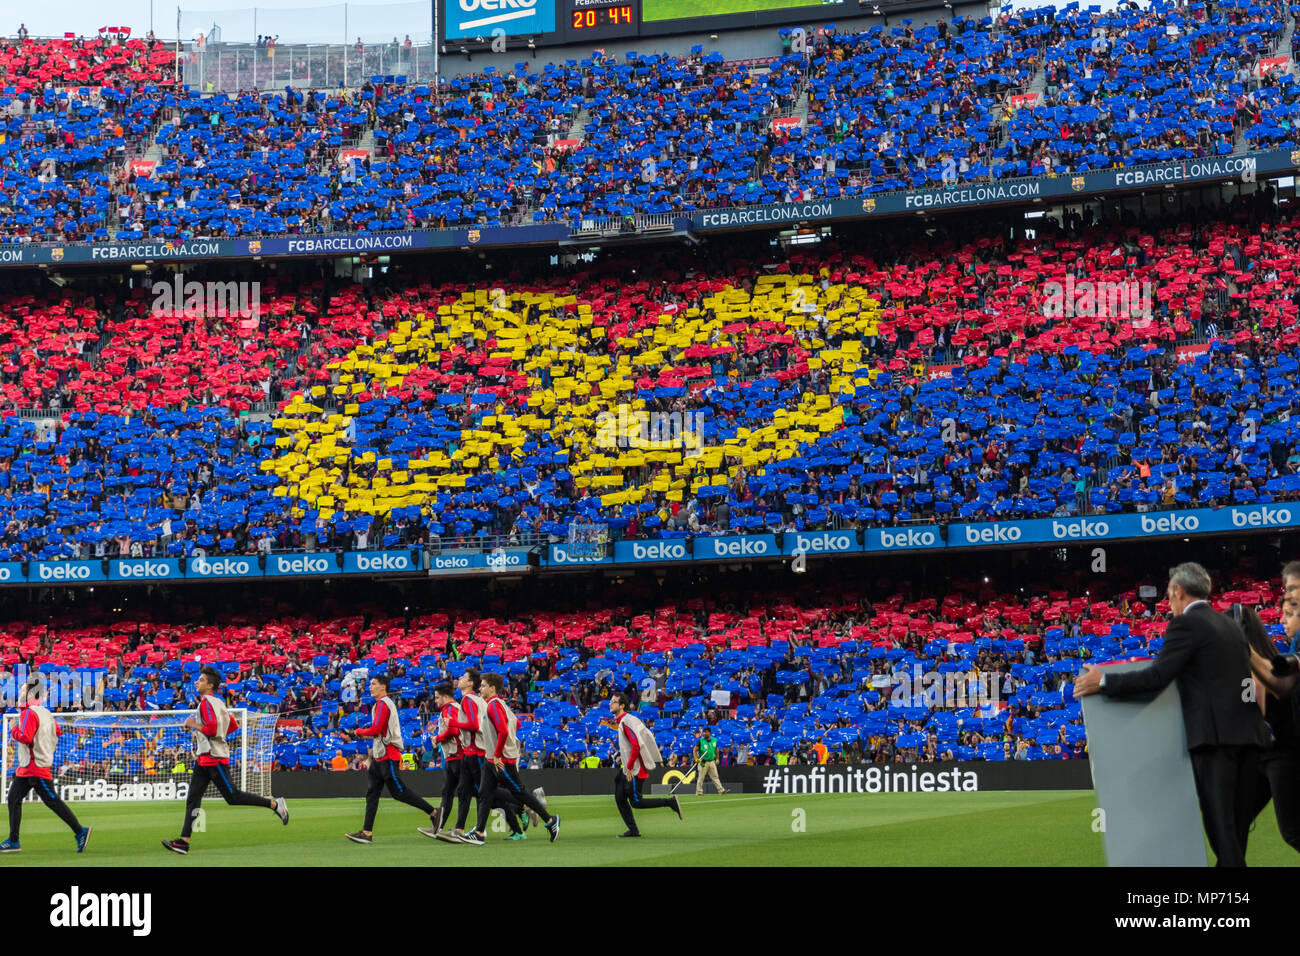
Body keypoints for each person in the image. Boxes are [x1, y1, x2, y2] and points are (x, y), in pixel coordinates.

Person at [1074, 562, 1270, 866]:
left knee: (1223, 836)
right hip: (1251, 740)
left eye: (1168, 595)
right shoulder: (1231, 624)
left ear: (1178, 591)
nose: (1168, 602)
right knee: (1236, 838)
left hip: (1215, 744)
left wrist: (1103, 681)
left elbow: (1157, 677)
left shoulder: (1187, 624)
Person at [162, 667, 289, 855]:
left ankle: (275, 805)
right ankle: (183, 842)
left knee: (233, 797)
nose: (197, 682)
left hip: (213, 759)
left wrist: (193, 725)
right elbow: (233, 724)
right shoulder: (218, 702)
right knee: (193, 799)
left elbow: (213, 729)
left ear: (210, 685)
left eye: (202, 680)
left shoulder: (206, 703)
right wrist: (216, 737)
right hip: (206, 758)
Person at [461, 673, 560, 846]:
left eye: (483, 685)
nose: (480, 688)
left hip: (500, 760)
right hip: (490, 759)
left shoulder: (493, 706)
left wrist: (498, 753)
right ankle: (478, 833)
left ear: (492, 688)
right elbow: (515, 724)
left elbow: (504, 731)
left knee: (519, 792)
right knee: (484, 795)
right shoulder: (499, 705)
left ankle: (550, 820)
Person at [342, 674, 439, 845]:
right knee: (372, 794)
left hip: (388, 756)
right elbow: (377, 729)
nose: (370, 687)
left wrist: (359, 732)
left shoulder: (384, 704)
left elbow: (377, 729)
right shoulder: (381, 705)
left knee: (399, 791)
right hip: (380, 757)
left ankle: (434, 812)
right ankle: (366, 832)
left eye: (373, 684)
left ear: (383, 687)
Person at [1, 676, 91, 854]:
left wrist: (13, 728)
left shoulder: (29, 712)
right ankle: (13, 840)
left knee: (52, 801)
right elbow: (57, 731)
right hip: (29, 767)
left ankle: (80, 831)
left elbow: (25, 738)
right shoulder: (45, 712)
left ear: (29, 692)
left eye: (24, 688)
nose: (20, 691)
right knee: (13, 799)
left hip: (34, 767)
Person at [1244, 598, 1300, 852]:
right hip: (1261, 755)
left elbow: (1259, 714)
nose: (1281, 621)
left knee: (1292, 832)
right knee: (1235, 819)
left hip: (1282, 755)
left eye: (1287, 615)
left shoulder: (1279, 665)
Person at [610, 693, 682, 837]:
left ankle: (670, 802)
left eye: (614, 702)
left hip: (634, 769)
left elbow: (636, 746)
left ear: (622, 705)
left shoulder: (625, 722)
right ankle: (634, 830)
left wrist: (629, 766)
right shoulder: (625, 720)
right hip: (627, 768)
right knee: (619, 797)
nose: (610, 704)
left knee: (636, 802)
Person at [693, 727, 729, 795]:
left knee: (715, 777)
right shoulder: (700, 741)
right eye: (704, 732)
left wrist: (717, 758)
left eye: (706, 732)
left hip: (712, 761)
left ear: (709, 733)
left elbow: (716, 750)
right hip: (703, 761)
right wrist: (696, 758)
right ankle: (699, 792)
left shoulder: (714, 740)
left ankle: (721, 790)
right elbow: (695, 750)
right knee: (701, 777)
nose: (705, 733)